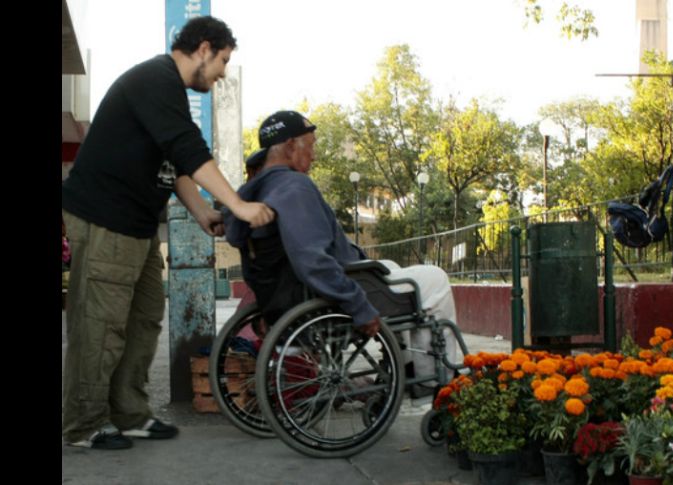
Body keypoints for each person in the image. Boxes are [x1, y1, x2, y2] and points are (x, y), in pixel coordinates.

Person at [61, 16, 275, 450]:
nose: (221, 75)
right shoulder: (155, 80)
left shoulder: (169, 92)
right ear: (203, 48)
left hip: (137, 227)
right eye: (223, 61)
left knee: (143, 320)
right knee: (100, 326)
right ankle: (83, 424)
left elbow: (176, 166)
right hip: (105, 220)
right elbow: (188, 149)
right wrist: (237, 204)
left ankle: (130, 413)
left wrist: (201, 212)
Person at [224, 110, 457, 393]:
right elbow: (312, 260)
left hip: (300, 289)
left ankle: (406, 363)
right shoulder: (294, 187)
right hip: (336, 287)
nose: (314, 155)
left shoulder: (252, 191)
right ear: (289, 147)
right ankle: (433, 381)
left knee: (391, 266)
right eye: (310, 146)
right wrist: (358, 305)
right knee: (435, 278)